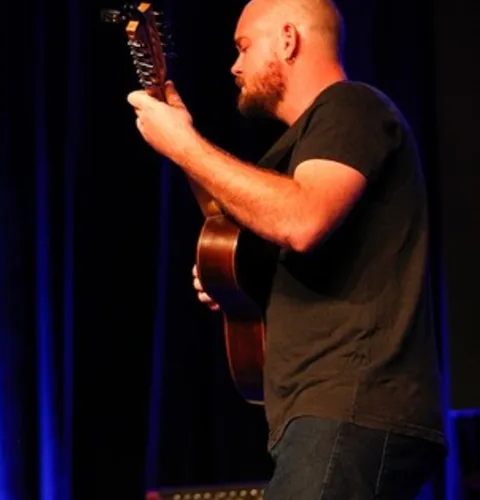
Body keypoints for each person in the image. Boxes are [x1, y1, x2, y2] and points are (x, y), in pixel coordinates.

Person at [127, 0, 446, 497]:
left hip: (352, 405)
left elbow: (301, 219)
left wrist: (183, 144)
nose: (234, 66)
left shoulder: (351, 107)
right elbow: (230, 222)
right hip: (320, 414)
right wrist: (230, 273)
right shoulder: (301, 149)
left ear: (288, 39)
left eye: (243, 47)